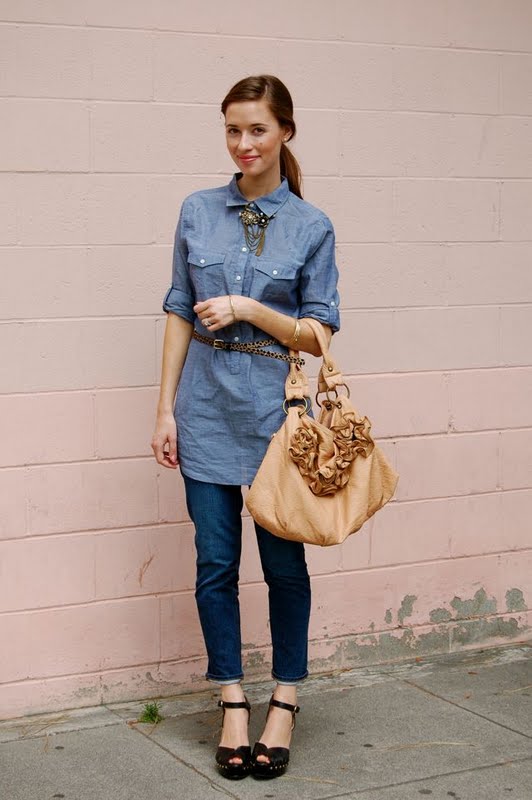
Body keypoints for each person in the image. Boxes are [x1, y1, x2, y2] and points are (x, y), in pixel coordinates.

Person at [151, 74, 340, 780]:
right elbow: (179, 309)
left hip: (275, 420)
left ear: (285, 131)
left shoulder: (311, 225)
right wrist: (165, 408)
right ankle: (232, 698)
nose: (243, 144)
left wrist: (249, 308)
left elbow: (319, 335)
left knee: (284, 568)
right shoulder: (197, 210)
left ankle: (284, 699)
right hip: (203, 410)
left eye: (257, 129)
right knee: (215, 565)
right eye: (232, 129)